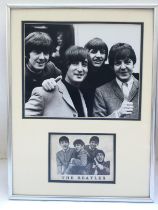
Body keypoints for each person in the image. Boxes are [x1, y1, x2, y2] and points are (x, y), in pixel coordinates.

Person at [25, 45, 89, 117]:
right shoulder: (45, 93)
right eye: (75, 63)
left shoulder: (82, 93)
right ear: (66, 65)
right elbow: (20, 120)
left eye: (84, 64)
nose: (80, 69)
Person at [93, 42, 139, 119]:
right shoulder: (101, 92)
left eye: (127, 62)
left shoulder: (145, 88)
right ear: (112, 66)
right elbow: (98, 124)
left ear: (133, 64)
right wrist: (118, 114)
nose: (123, 67)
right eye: (118, 63)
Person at [81, 38, 115, 116]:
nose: (98, 56)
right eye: (93, 52)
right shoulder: (80, 72)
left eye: (102, 52)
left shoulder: (111, 72)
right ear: (86, 54)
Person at [25, 31, 61, 102]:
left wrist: (54, 83)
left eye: (45, 53)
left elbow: (64, 81)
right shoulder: (18, 73)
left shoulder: (51, 67)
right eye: (37, 52)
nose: (42, 57)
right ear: (27, 53)